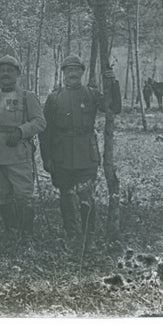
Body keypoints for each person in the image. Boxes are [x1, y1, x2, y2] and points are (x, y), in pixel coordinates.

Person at [42, 55, 120, 243]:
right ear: (63, 74)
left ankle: (88, 235)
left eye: (77, 70)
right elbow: (45, 131)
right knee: (66, 195)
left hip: (86, 152)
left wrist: (113, 83)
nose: (73, 74)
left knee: (86, 194)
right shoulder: (54, 98)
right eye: (69, 70)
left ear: (83, 73)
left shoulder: (91, 94)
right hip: (61, 154)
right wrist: (47, 158)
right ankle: (70, 233)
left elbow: (114, 107)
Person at [0, 55, 45, 242]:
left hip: (17, 155)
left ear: (18, 74)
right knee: (3, 194)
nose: (5, 74)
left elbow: (39, 122)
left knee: (23, 194)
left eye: (10, 70)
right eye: (2, 70)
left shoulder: (26, 96)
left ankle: (26, 235)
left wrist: (21, 131)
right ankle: (11, 232)